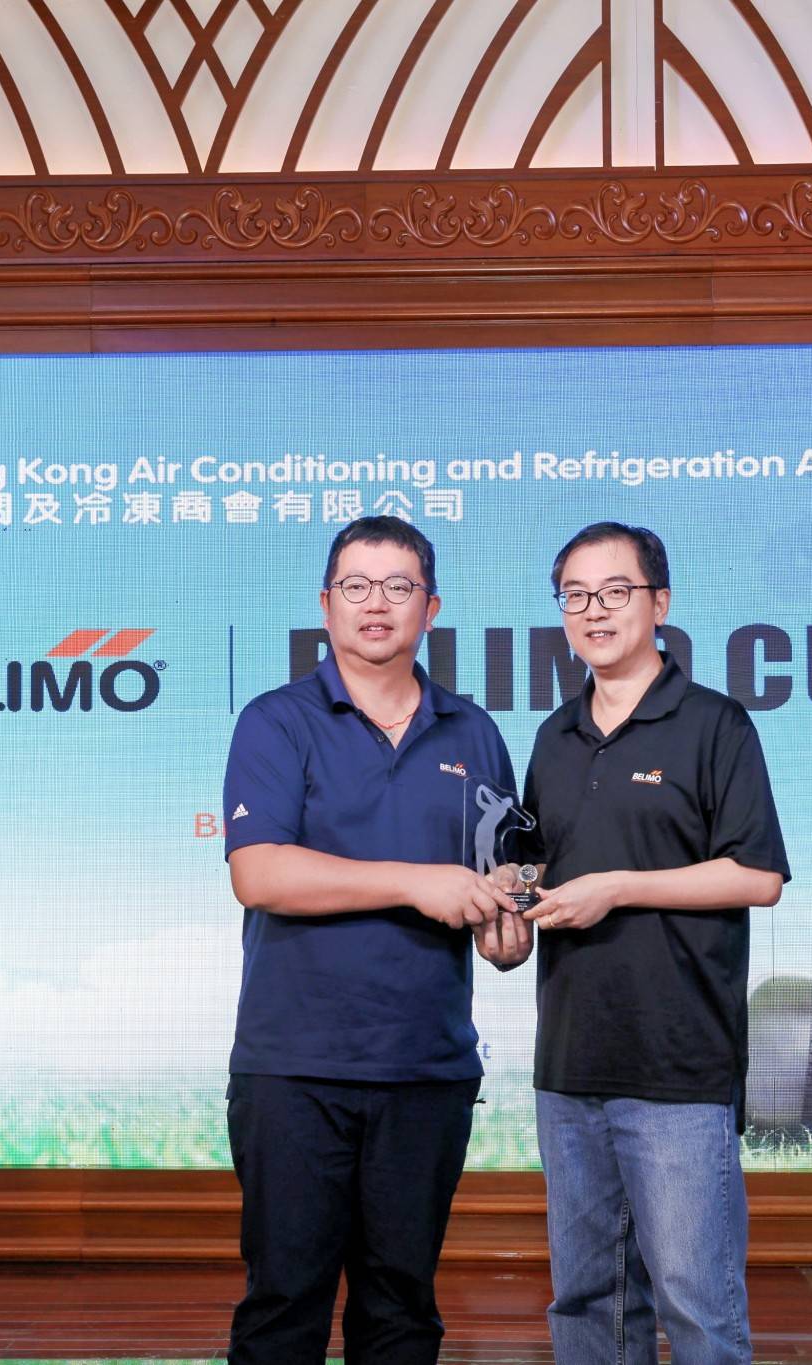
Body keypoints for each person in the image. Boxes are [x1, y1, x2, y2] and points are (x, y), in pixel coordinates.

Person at [221, 515, 531, 1365]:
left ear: (431, 608)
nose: (376, 603)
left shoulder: (474, 732)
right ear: (326, 604)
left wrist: (509, 931)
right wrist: (414, 881)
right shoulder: (277, 720)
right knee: (283, 1308)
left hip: (427, 1068)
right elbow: (260, 872)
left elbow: (503, 879)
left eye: (399, 587)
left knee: (402, 1311)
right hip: (295, 1068)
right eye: (356, 586)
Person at [517, 521, 788, 1365]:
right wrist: (505, 910)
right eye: (575, 595)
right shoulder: (553, 736)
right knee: (586, 1302)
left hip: (678, 1064)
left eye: (615, 591)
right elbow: (534, 869)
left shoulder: (714, 724)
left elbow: (757, 875)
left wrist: (620, 886)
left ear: (659, 603)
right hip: (570, 1064)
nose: (594, 611)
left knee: (698, 1308)